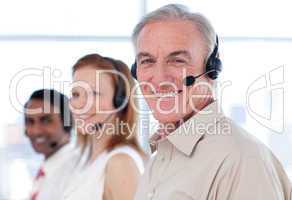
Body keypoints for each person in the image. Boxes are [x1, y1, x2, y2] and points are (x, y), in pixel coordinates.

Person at [130, 4, 292, 200]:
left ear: (212, 70)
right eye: (147, 61)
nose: (160, 77)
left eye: (178, 60)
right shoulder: (159, 159)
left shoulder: (241, 160)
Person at [65, 53, 146, 200]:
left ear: (120, 101)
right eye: (76, 94)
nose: (80, 104)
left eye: (94, 94)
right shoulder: (86, 160)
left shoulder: (121, 163)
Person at [24, 89, 76, 200]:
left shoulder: (75, 173)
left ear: (68, 123)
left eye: (46, 120)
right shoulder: (48, 169)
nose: (36, 131)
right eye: (30, 121)